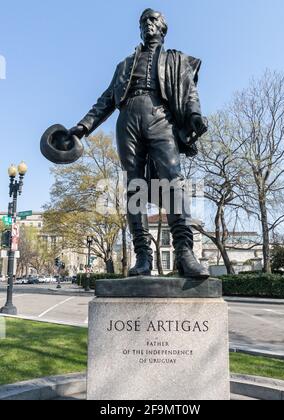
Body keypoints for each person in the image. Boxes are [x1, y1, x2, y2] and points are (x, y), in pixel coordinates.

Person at [69, 9, 209, 278]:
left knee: (173, 180)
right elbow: (106, 99)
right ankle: (143, 256)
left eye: (154, 20)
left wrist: (194, 116)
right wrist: (84, 125)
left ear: (163, 28)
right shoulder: (124, 65)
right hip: (128, 117)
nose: (148, 24)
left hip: (160, 115)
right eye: (144, 21)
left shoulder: (176, 59)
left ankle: (184, 253)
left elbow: (189, 90)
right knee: (135, 187)